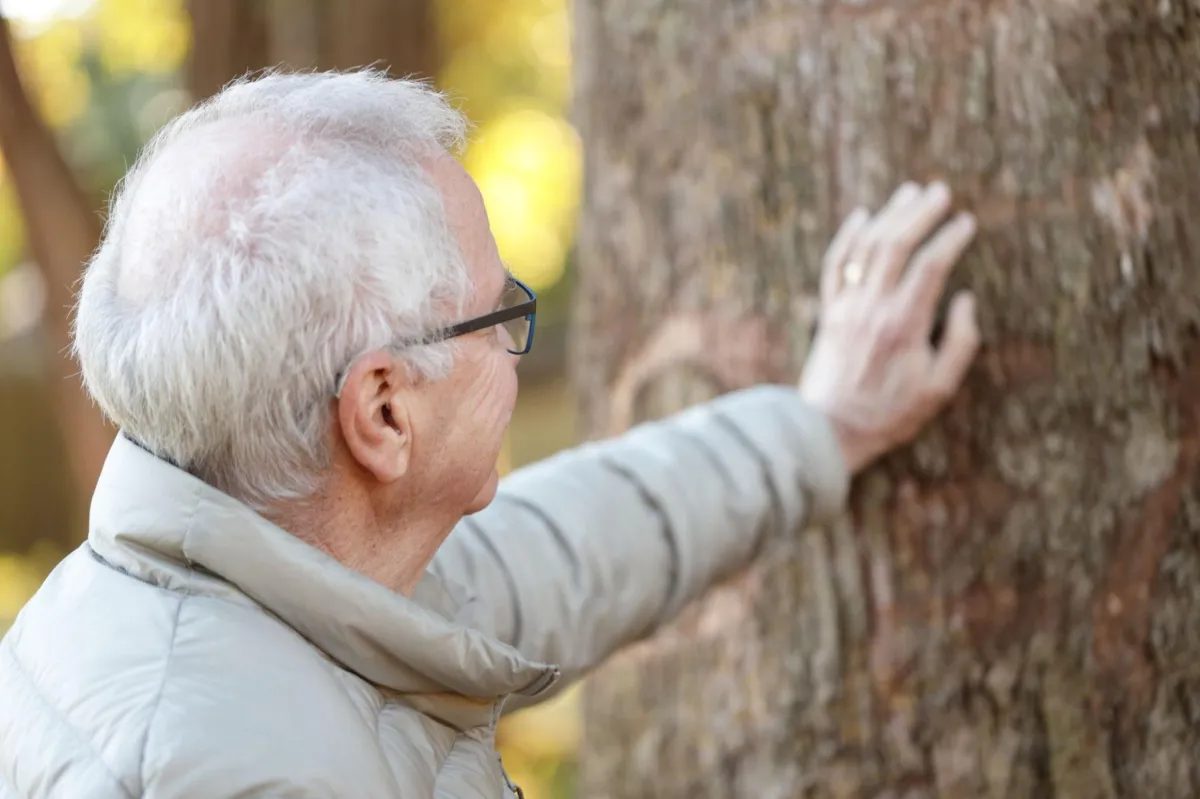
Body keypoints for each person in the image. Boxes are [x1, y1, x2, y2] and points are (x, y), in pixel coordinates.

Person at [0, 70, 979, 798]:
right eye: (499, 311)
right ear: (383, 413)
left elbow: (568, 550)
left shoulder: (281, 554)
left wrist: (821, 428)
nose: (517, 337)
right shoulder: (244, 776)